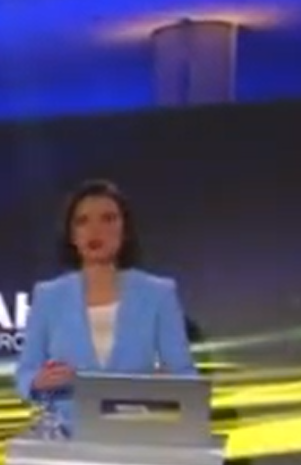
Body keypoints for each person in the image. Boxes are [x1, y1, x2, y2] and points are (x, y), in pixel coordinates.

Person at [13, 179, 196, 421]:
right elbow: (24, 374)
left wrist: (165, 384)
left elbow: (185, 376)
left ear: (125, 230)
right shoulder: (48, 296)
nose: (95, 230)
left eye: (108, 219)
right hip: (68, 434)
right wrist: (38, 382)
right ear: (72, 235)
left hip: (136, 432)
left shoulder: (159, 293)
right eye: (82, 221)